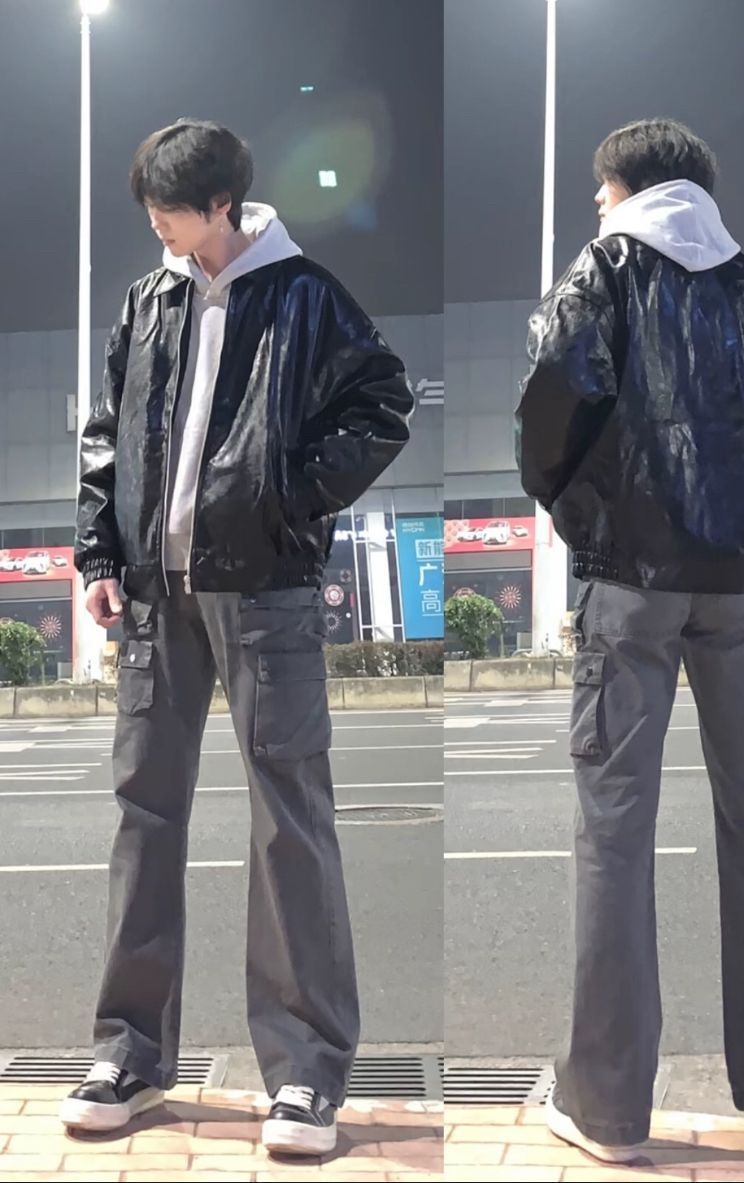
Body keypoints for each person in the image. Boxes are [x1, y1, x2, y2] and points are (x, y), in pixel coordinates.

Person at [61, 119, 413, 1155]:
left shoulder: (305, 296)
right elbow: (105, 430)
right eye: (150, 211)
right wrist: (99, 551)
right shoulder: (150, 299)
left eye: (169, 211)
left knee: (288, 822)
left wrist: (286, 498)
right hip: (153, 595)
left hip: (267, 592)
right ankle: (129, 1051)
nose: (157, 227)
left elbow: (382, 406)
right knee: (143, 814)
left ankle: (305, 1072)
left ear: (220, 204)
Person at [516, 118, 744, 1164]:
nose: (595, 205)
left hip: (631, 586)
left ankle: (608, 1113)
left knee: (615, 832)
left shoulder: (603, 274)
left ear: (626, 186)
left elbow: (547, 413)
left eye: (599, 189)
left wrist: (591, 526)